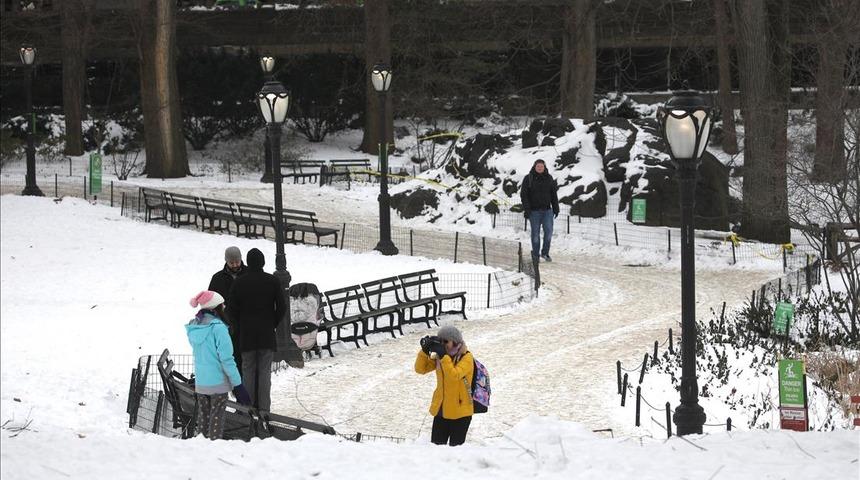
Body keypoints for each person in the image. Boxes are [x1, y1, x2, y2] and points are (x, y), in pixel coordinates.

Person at [186, 290, 251, 440]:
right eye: (222, 305)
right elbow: (227, 360)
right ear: (217, 308)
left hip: (202, 382)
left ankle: (200, 446)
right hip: (218, 383)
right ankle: (214, 449)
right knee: (216, 420)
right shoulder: (219, 328)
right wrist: (238, 385)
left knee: (203, 419)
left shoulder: (194, 327)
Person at [227, 248, 286, 412]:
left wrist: (240, 325)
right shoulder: (272, 281)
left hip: (247, 337)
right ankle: (264, 410)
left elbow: (231, 310)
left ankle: (248, 409)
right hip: (266, 335)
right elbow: (282, 307)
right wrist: (272, 322)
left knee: (248, 372)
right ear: (263, 262)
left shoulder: (239, 282)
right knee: (265, 373)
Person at [414, 325, 474, 446]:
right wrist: (424, 352)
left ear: (456, 342)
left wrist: (444, 357)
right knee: (436, 449)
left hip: (460, 414)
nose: (442, 344)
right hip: (441, 412)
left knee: (455, 451)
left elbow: (454, 376)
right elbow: (420, 369)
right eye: (440, 341)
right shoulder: (440, 357)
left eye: (446, 341)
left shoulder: (467, 358)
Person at [208, 246, 246, 373]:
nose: (235, 265)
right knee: (231, 357)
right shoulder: (217, 278)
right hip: (226, 324)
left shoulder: (249, 274)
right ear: (226, 261)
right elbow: (211, 301)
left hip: (246, 323)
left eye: (237, 262)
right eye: (232, 262)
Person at [520, 159, 560, 262]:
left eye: (541, 166)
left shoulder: (549, 178)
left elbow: (553, 194)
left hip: (547, 211)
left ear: (544, 167)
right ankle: (535, 255)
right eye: (538, 166)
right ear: (534, 166)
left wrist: (556, 208)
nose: (540, 168)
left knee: (549, 233)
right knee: (535, 235)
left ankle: (545, 253)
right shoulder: (528, 178)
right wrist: (527, 209)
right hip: (534, 212)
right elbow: (524, 195)